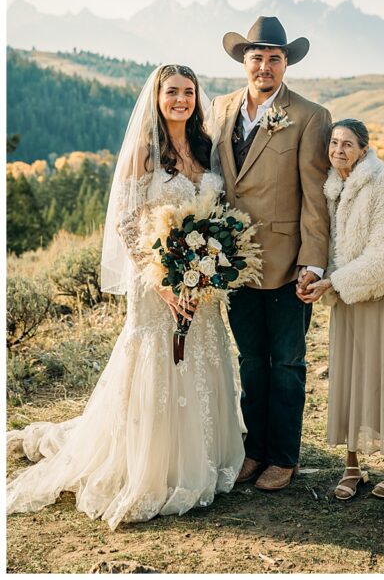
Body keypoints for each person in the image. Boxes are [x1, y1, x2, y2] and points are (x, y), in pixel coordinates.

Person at [6, 64, 245, 529]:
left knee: (203, 356)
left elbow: (213, 212)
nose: (181, 100)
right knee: (158, 360)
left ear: (198, 98)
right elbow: (127, 221)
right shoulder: (144, 152)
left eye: (189, 92)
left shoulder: (204, 148)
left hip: (200, 281)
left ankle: (201, 456)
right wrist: (164, 280)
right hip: (154, 281)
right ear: (157, 98)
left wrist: (204, 271)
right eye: (172, 92)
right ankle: (153, 465)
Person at [213, 16, 332, 492]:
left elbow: (316, 196)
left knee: (286, 361)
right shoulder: (220, 108)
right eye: (257, 57)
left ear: (286, 64)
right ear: (245, 61)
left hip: (287, 262)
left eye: (274, 58)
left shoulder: (309, 115)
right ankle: (254, 451)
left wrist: (314, 261)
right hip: (231, 261)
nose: (265, 66)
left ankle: (284, 456)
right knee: (249, 360)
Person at [299, 119, 384, 500]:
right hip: (348, 298)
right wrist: (317, 278)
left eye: (347, 144)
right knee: (348, 379)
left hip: (383, 294)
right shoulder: (333, 186)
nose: (338, 151)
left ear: (364, 149)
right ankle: (352, 467)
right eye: (333, 143)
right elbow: (331, 245)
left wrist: (335, 282)